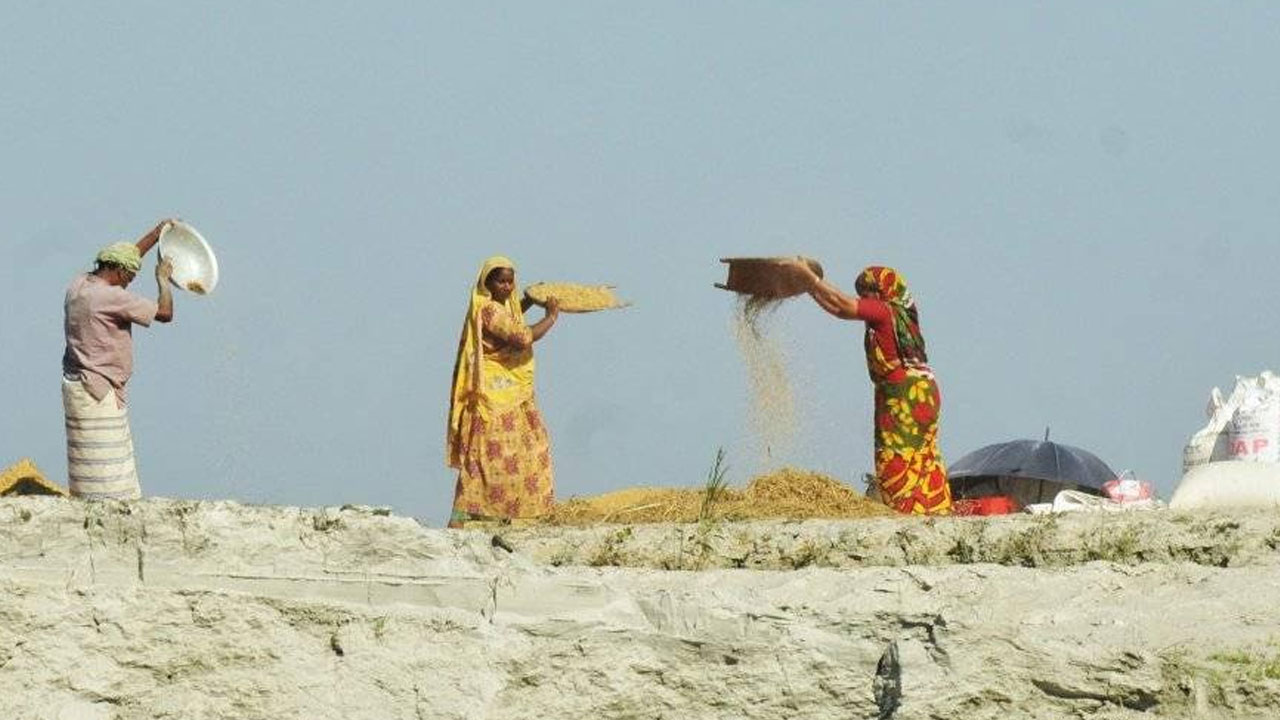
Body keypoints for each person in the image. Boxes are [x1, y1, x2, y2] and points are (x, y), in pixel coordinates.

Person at [798, 263, 952, 515]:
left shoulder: (884, 310)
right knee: (921, 456)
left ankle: (907, 510)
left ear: (880, 292)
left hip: (905, 395)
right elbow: (837, 307)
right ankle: (932, 509)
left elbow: (842, 306)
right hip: (919, 391)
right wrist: (809, 288)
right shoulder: (897, 313)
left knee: (897, 456)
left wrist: (810, 281)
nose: (862, 299)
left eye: (865, 293)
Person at [62, 220, 177, 500]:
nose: (129, 283)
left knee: (85, 459)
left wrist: (156, 234)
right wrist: (163, 280)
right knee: (107, 467)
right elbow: (164, 313)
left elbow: (127, 257)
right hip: (99, 387)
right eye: (129, 277)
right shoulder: (110, 298)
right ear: (117, 270)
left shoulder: (79, 285)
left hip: (77, 382)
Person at [445, 256, 561, 528]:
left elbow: (509, 322)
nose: (508, 287)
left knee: (507, 454)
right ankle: (465, 518)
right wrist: (551, 317)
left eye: (511, 281)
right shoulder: (489, 311)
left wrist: (528, 303)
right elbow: (520, 336)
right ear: (488, 283)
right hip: (496, 399)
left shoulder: (490, 309)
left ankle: (496, 515)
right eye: (501, 281)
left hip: (502, 394)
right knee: (493, 457)